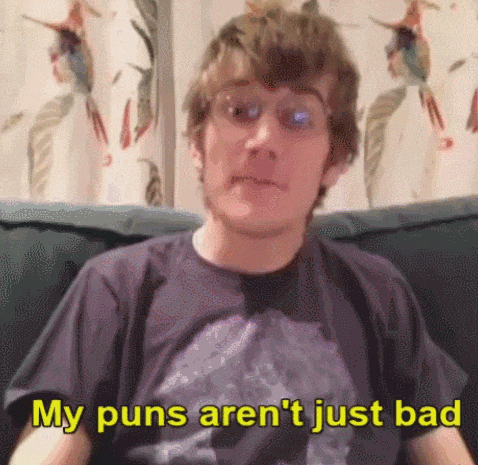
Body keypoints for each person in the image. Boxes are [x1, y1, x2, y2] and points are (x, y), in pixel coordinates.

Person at [4, 1, 474, 464]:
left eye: (298, 118)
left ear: (335, 160)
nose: (263, 141)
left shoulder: (380, 294)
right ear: (197, 143)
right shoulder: (114, 289)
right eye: (240, 110)